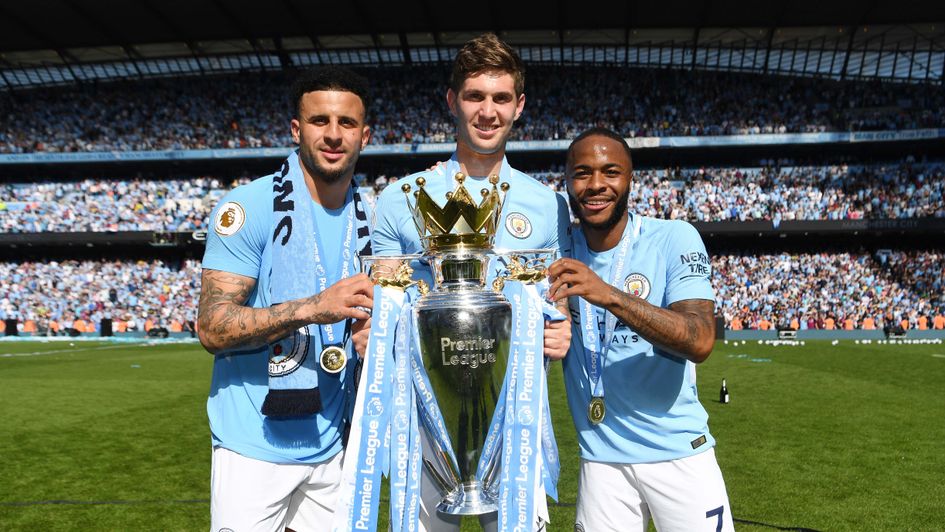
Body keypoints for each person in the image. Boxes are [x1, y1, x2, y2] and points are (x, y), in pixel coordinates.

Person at [370, 33, 571, 531]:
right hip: (426, 424)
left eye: (501, 98)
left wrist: (562, 325)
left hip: (516, 418)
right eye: (475, 96)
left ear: (519, 105)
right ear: (452, 102)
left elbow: (556, 296)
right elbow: (378, 307)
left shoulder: (547, 204)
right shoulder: (400, 199)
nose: (488, 111)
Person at [197, 66, 375, 531]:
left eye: (347, 124)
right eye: (320, 121)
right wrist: (315, 307)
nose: (334, 135)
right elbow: (212, 327)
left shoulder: (376, 218)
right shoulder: (249, 208)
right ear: (297, 130)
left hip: (337, 446)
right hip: (253, 448)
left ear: (365, 135)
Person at [547, 128, 735, 532]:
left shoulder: (673, 237)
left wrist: (609, 295)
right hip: (601, 459)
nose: (596, 185)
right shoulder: (558, 249)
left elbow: (700, 339)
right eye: (581, 173)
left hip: (679, 455)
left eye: (610, 172)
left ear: (630, 179)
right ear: (565, 183)